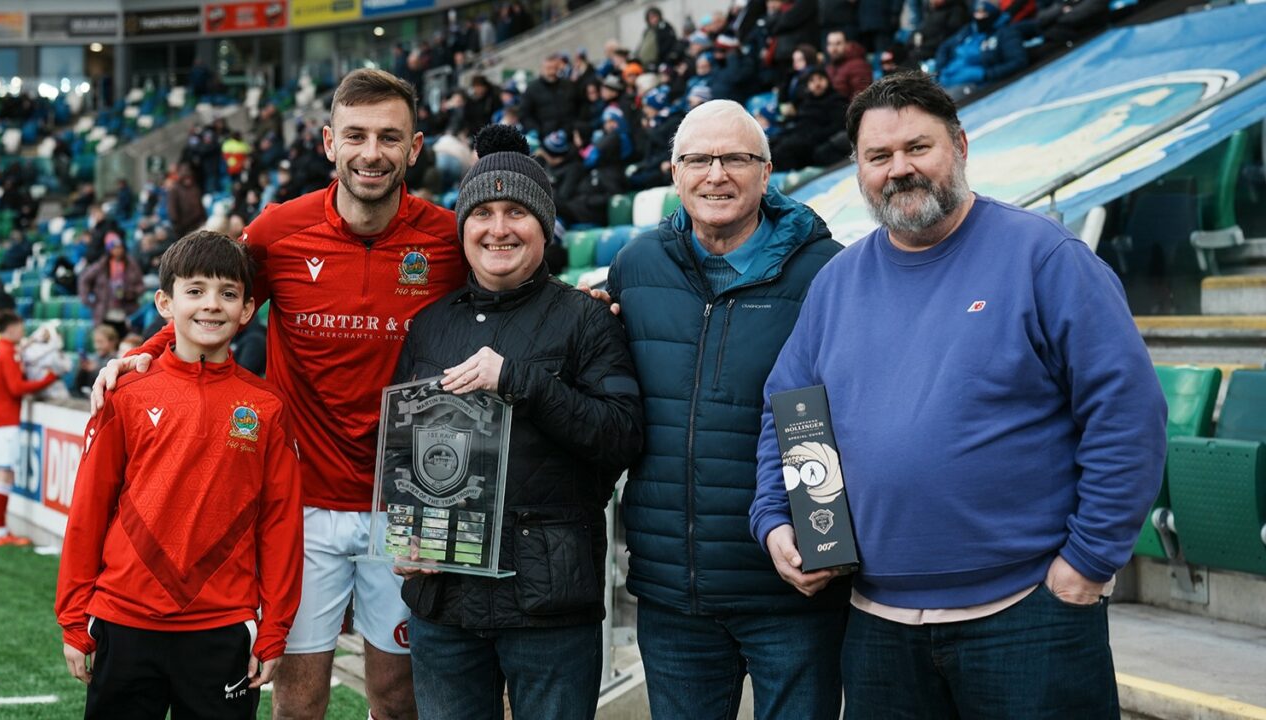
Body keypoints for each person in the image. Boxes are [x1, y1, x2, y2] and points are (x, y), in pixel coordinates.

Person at [751, 71, 1167, 718]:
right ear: (858, 170)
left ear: (961, 146)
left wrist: (1086, 564)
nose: (899, 169)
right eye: (878, 156)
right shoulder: (836, 285)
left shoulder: (1045, 258)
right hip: (879, 625)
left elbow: (1127, 415)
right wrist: (776, 520)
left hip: (1028, 614)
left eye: (919, 148)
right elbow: (791, 414)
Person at [92, 68, 468, 720]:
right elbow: (212, 306)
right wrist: (139, 357)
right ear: (328, 142)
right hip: (303, 504)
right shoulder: (278, 232)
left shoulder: (447, 238)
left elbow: (510, 300)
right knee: (296, 700)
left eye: (388, 137)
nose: (370, 152)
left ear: (414, 147)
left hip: (408, 503)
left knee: (397, 697)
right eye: (355, 135)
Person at [604, 100, 848, 719]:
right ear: (674, 172)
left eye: (736, 158)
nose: (717, 174)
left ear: (767, 173)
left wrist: (827, 546)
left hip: (792, 587)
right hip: (672, 594)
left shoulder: (831, 271)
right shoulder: (636, 266)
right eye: (699, 159)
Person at [392, 124, 643, 720]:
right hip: (444, 600)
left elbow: (621, 435)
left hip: (548, 605)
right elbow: (407, 454)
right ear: (463, 228)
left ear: (545, 225)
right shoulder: (430, 325)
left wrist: (521, 381)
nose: (498, 228)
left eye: (516, 213)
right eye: (482, 212)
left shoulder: (587, 319)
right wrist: (405, 533)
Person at [56, 231, 303, 718]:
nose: (211, 305)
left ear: (249, 309)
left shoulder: (267, 407)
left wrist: (274, 628)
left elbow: (280, 524)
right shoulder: (125, 396)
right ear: (165, 303)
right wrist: (72, 617)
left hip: (222, 628)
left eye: (228, 294)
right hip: (123, 620)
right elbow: (88, 509)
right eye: (195, 291)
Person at [0, 310, 59, 546]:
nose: (23, 330)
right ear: (11, 329)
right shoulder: (8, 353)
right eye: (20, 326)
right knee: (3, 474)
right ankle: (0, 531)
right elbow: (16, 388)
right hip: (5, 421)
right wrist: (49, 378)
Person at [77, 233, 145, 334]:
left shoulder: (131, 265)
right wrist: (87, 298)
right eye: (115, 248)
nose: (118, 250)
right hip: (105, 311)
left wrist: (131, 293)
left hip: (126, 310)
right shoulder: (102, 265)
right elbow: (84, 279)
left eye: (120, 247)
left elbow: (141, 286)